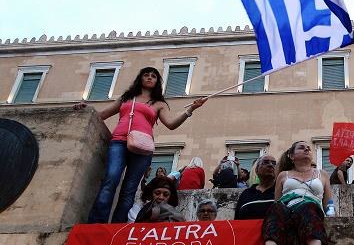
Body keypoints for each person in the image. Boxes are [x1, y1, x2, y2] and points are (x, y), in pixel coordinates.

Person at [75, 67, 205, 223]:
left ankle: (118, 226)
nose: (150, 77)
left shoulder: (159, 103)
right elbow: (102, 115)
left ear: (157, 81)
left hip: (143, 147)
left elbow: (171, 124)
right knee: (111, 179)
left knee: (129, 190)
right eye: (146, 75)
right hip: (119, 141)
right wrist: (86, 109)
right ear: (140, 78)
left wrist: (191, 109)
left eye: (153, 76)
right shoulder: (126, 98)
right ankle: (96, 223)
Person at [263, 141, 333, 245]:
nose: (307, 149)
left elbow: (329, 203)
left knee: (308, 206)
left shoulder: (322, 174)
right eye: (301, 147)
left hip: (311, 210)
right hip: (287, 212)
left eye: (308, 148)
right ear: (292, 156)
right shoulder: (283, 175)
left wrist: (332, 218)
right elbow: (277, 201)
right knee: (275, 208)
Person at [235, 155, 277, 220]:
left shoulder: (281, 191)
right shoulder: (246, 194)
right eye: (265, 162)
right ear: (256, 170)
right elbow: (237, 222)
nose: (270, 165)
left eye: (274, 163)